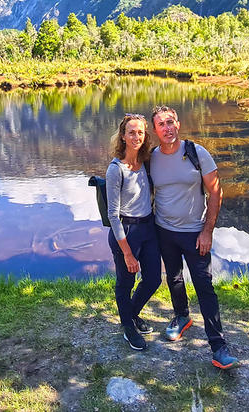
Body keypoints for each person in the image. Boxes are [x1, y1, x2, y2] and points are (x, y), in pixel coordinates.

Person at [149, 105, 237, 369]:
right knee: (174, 278)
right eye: (161, 124)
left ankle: (218, 346)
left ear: (178, 124)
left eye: (170, 122)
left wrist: (207, 231)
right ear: (155, 130)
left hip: (194, 233)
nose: (167, 128)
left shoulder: (197, 153)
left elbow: (216, 192)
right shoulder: (152, 157)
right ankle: (181, 317)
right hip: (164, 230)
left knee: (204, 286)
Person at [105, 113, 161, 351]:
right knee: (125, 282)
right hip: (125, 231)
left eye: (140, 132)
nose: (136, 136)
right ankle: (128, 327)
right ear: (123, 136)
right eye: (131, 132)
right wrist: (127, 252)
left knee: (153, 279)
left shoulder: (147, 161)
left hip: (148, 228)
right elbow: (112, 215)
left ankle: (132, 313)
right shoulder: (115, 170)